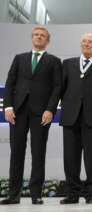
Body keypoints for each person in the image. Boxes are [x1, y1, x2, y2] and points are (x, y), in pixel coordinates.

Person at [0, 27, 62, 205]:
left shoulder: (54, 61)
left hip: (41, 113)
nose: (39, 37)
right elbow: (10, 83)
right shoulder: (19, 58)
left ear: (47, 41)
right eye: (36, 35)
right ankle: (13, 195)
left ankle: (36, 194)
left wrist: (50, 109)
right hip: (17, 112)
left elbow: (57, 87)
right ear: (32, 38)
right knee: (16, 153)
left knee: (38, 152)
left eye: (42, 36)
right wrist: (8, 107)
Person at [59, 33, 92, 204]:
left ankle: (90, 194)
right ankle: (72, 193)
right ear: (80, 45)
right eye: (84, 41)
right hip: (70, 117)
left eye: (90, 42)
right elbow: (61, 88)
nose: (86, 44)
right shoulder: (67, 64)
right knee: (70, 157)